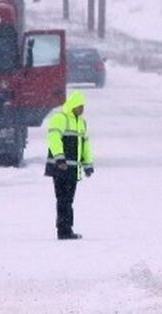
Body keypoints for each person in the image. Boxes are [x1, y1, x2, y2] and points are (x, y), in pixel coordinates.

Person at [45, 90, 94, 240]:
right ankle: (63, 230)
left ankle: (67, 229)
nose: (82, 110)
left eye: (83, 107)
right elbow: (53, 139)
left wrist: (88, 164)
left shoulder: (81, 123)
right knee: (63, 199)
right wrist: (60, 159)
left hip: (72, 169)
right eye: (80, 106)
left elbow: (85, 145)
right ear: (73, 106)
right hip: (60, 168)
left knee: (68, 200)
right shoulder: (60, 119)